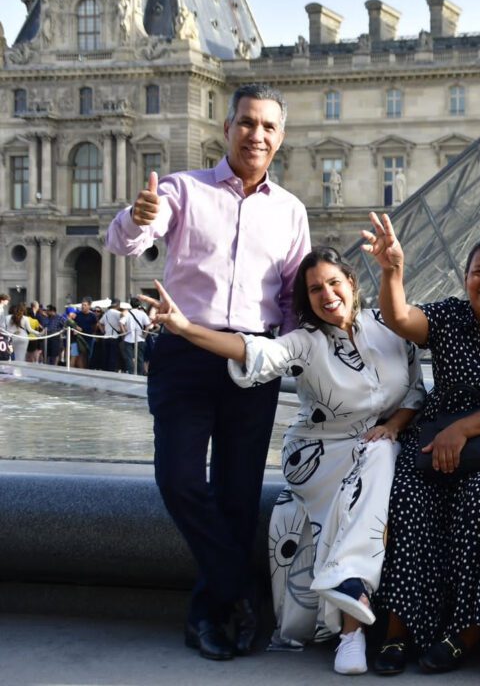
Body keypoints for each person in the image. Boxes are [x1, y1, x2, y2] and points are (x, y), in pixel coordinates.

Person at [142, 246, 426, 675]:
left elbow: (415, 390)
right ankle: (351, 596)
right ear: (305, 300)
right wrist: (184, 328)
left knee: (381, 452)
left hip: (377, 447)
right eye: (315, 289)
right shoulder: (305, 342)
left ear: (352, 283)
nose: (327, 294)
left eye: (334, 283)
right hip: (319, 456)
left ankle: (350, 622)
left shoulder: (390, 326)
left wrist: (394, 425)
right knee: (380, 456)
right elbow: (250, 351)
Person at [106, 82, 311, 661]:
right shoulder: (181, 189)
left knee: (238, 493)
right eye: (246, 122)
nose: (256, 134)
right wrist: (136, 217)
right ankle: (241, 589)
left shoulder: (291, 211)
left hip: (253, 356)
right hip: (185, 351)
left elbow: (293, 297)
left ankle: (209, 616)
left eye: (268, 126)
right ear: (227, 128)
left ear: (280, 137)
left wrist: (296, 357)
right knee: (178, 479)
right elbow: (126, 241)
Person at [363, 213, 480, 675]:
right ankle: (398, 629)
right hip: (436, 440)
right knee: (409, 497)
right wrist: (392, 270)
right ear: (465, 277)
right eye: (479, 271)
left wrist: (464, 429)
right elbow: (399, 317)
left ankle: (467, 630)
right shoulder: (448, 315)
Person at [121, 299, 152, 375]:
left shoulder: (128, 313)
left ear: (130, 304)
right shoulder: (142, 313)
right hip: (140, 338)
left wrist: (124, 333)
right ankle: (140, 374)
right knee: (140, 358)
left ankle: (131, 373)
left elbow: (121, 323)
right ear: (139, 305)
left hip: (128, 338)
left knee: (129, 358)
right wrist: (145, 335)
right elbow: (148, 325)